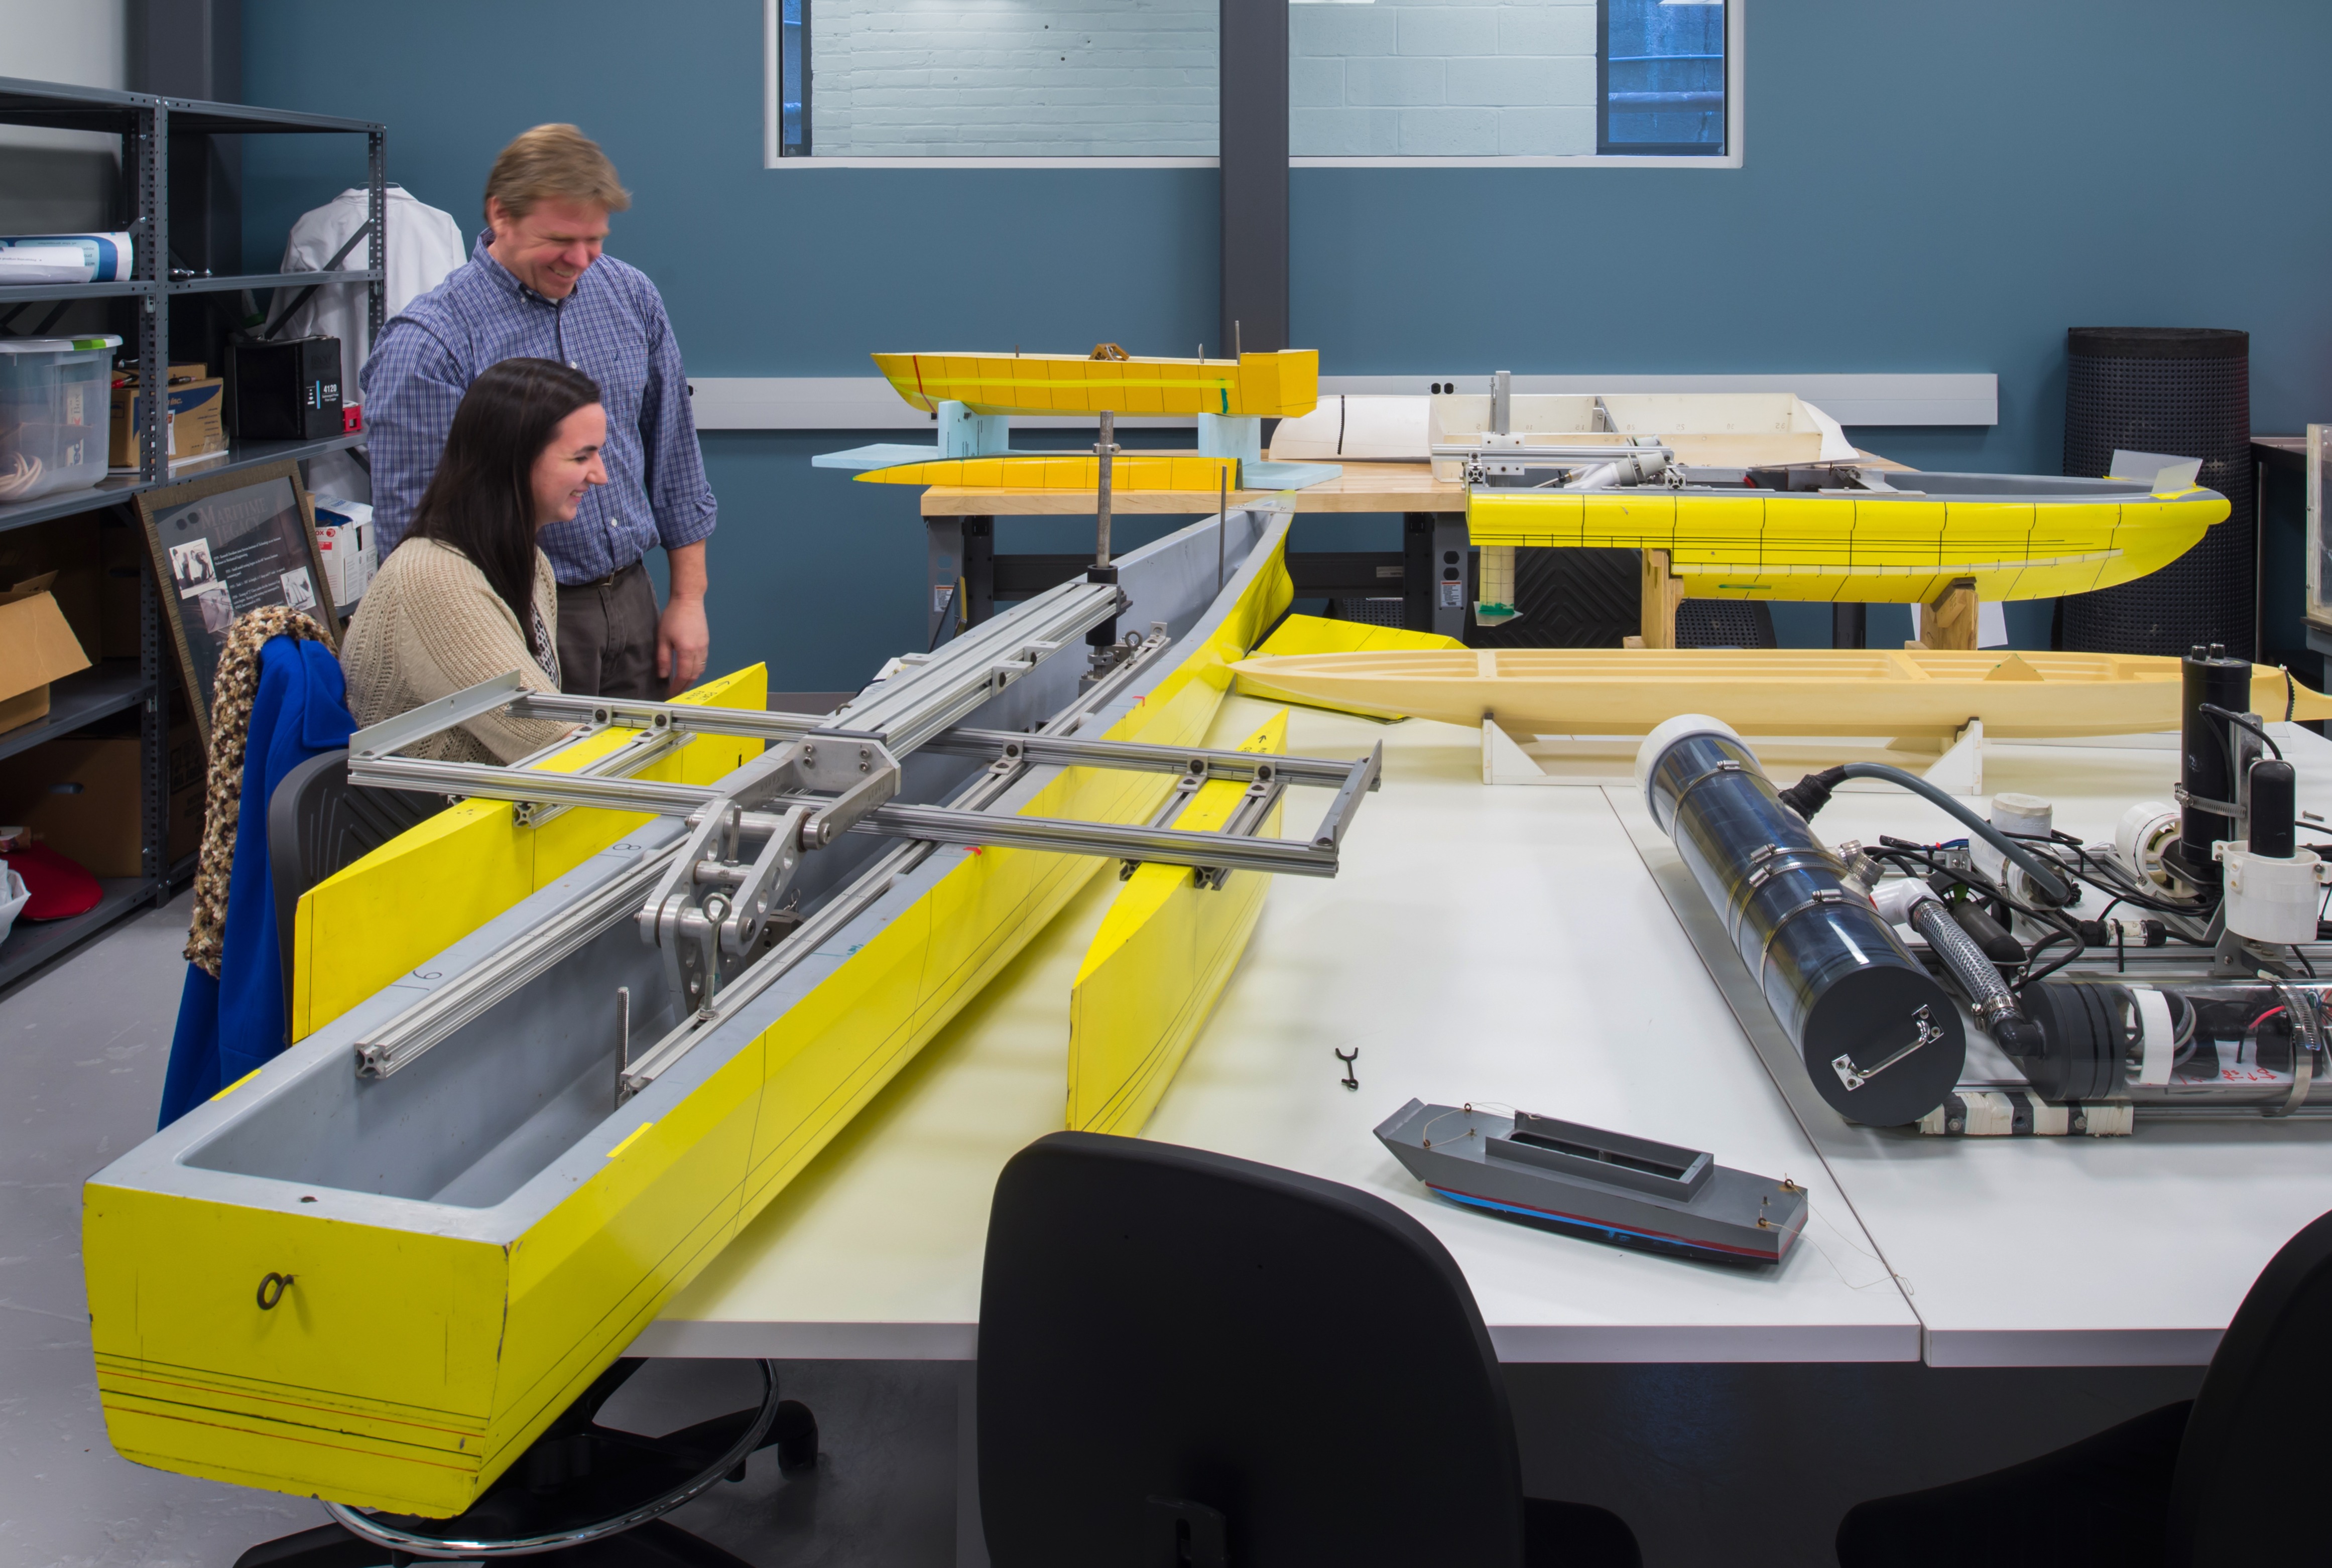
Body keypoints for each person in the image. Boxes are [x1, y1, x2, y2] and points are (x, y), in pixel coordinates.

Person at [361, 123, 714, 699]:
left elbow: (675, 458)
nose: (581, 259)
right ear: (501, 215)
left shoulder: (630, 296)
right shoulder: (429, 344)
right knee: (545, 788)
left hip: (633, 600)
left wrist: (687, 599)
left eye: (595, 238)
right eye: (559, 239)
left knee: (641, 785)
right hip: (512, 618)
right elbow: (415, 537)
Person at [340, 359, 603, 763]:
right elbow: (558, 742)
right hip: (431, 821)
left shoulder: (530, 563)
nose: (600, 475)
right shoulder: (434, 581)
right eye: (581, 458)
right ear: (515, 457)